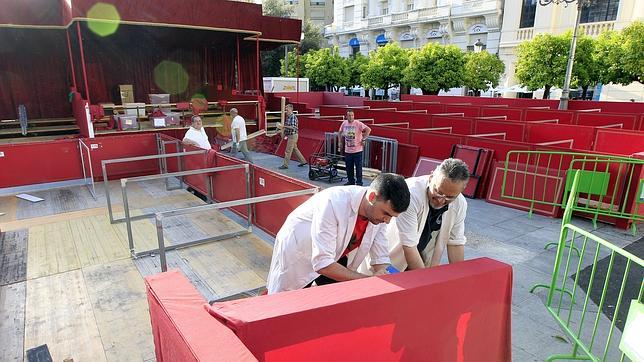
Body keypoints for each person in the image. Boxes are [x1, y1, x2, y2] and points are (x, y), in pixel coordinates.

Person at [266, 173, 411, 294]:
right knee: (289, 303)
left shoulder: (377, 215)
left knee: (333, 297)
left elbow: (380, 258)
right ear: (372, 197)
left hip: (334, 254)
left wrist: (385, 275)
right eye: (386, 213)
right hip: (300, 251)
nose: (387, 221)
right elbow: (322, 263)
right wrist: (368, 280)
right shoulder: (334, 202)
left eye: (392, 216)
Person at [381, 158, 470, 272]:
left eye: (449, 197)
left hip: (423, 253)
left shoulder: (460, 203)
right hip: (394, 253)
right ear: (431, 176)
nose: (441, 200)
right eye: (438, 192)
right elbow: (409, 245)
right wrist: (425, 280)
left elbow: (455, 243)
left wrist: (460, 278)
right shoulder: (410, 194)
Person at [338, 109, 371, 186]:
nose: (351, 117)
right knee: (349, 168)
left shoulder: (358, 123)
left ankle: (359, 183)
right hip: (348, 150)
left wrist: (364, 139)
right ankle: (351, 181)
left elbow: (368, 130)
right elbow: (339, 132)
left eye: (352, 115)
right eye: (349, 115)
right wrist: (340, 141)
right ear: (346, 116)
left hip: (357, 150)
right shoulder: (344, 123)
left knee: (358, 168)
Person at [278, 104, 308, 169]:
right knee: (294, 149)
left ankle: (285, 165)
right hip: (291, 135)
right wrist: (283, 132)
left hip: (293, 135)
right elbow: (288, 128)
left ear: (291, 109)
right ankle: (303, 161)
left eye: (287, 109)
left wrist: (283, 126)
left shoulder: (293, 117)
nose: (286, 111)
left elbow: (293, 127)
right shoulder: (289, 117)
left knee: (288, 151)